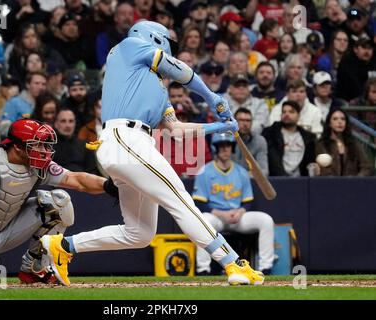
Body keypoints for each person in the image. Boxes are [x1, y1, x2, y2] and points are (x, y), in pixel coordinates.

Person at [40, 21, 264, 287]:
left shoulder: (157, 88)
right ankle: (232, 263)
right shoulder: (129, 47)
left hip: (130, 145)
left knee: (139, 233)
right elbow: (179, 69)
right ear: (154, 37)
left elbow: (177, 130)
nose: (171, 49)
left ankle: (64, 245)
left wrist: (221, 126)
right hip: (126, 138)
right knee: (181, 200)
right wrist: (211, 96)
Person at [0, 119, 119, 285]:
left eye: (46, 145)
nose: (45, 151)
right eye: (38, 145)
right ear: (17, 147)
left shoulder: (38, 165)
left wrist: (112, 186)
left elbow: (76, 180)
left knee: (60, 203)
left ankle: (34, 268)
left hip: (5, 229)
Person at [194, 133, 275, 275]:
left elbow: (247, 201)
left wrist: (240, 212)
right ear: (216, 148)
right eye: (222, 146)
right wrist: (222, 214)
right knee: (203, 221)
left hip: (237, 217)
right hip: (217, 217)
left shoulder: (241, 171)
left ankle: (265, 267)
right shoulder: (204, 171)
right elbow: (199, 202)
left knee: (266, 220)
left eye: (228, 145)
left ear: (232, 148)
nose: (226, 149)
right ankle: (203, 269)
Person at [262, 100, 316, 176]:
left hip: (301, 181)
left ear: (299, 116)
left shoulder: (308, 137)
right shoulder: (270, 134)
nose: (287, 114)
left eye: (291, 112)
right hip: (277, 179)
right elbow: (273, 160)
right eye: (284, 112)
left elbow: (310, 162)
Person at [314, 109, 372, 176]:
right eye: (335, 119)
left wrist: (356, 179)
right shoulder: (321, 143)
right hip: (330, 183)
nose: (340, 122)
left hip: (352, 184)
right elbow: (323, 169)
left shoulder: (354, 143)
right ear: (329, 123)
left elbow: (366, 167)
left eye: (343, 119)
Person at [53, 108, 98, 174]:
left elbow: (92, 171)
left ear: (75, 124)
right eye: (63, 121)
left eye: (71, 121)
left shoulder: (85, 146)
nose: (67, 125)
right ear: (56, 124)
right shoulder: (49, 147)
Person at [233, 108, 269, 177]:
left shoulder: (259, 141)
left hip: (250, 182)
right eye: (241, 120)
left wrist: (243, 177)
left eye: (248, 120)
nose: (245, 124)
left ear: (252, 123)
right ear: (234, 122)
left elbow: (264, 170)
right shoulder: (225, 139)